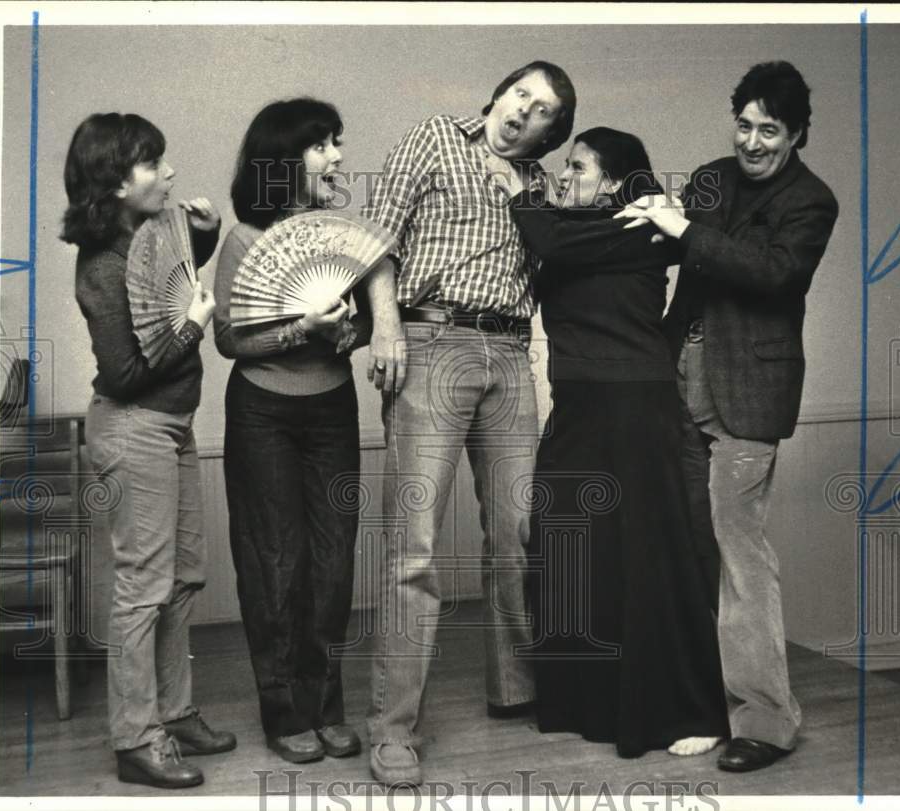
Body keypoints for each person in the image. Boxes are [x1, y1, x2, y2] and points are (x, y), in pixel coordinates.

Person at [616, 60, 839, 772]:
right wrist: (633, 218)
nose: (751, 141)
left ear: (797, 133)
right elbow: (668, 243)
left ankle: (767, 723)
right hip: (680, 375)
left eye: (769, 130)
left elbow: (773, 272)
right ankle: (703, 707)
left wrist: (681, 226)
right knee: (689, 549)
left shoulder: (812, 200)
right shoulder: (712, 178)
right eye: (744, 125)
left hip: (750, 393)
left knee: (739, 554)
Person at [361, 61, 577, 787]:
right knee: (414, 543)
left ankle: (515, 688)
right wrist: (385, 327)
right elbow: (378, 236)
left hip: (511, 352)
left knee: (518, 530)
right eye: (520, 94)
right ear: (499, 93)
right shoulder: (434, 137)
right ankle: (392, 728)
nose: (522, 112)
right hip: (432, 341)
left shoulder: (540, 187)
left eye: (541, 110)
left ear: (550, 132)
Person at [488, 126, 730, 758]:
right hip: (579, 405)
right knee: (567, 548)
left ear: (615, 181)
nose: (565, 176)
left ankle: (690, 711)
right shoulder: (591, 230)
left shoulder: (642, 227)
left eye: (580, 167)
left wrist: (521, 194)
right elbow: (557, 243)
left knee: (650, 555)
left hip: (636, 406)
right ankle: (586, 702)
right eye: (565, 166)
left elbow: (549, 238)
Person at [213, 98, 404, 765]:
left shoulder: (340, 235)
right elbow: (230, 339)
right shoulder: (244, 238)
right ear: (284, 159)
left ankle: (326, 707)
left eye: (336, 143)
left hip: (332, 410)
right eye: (322, 145)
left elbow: (364, 317)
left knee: (332, 561)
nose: (337, 157)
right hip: (261, 413)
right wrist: (302, 328)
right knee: (275, 562)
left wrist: (348, 332)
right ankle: (284, 711)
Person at [64, 112, 235, 789]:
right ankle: (136, 740)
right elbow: (129, 372)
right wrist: (193, 327)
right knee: (143, 588)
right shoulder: (100, 266)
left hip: (172, 425)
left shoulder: (145, 237)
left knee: (184, 575)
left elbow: (171, 276)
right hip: (133, 426)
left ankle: (174, 711)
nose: (169, 172)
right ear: (115, 181)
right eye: (152, 163)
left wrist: (207, 234)